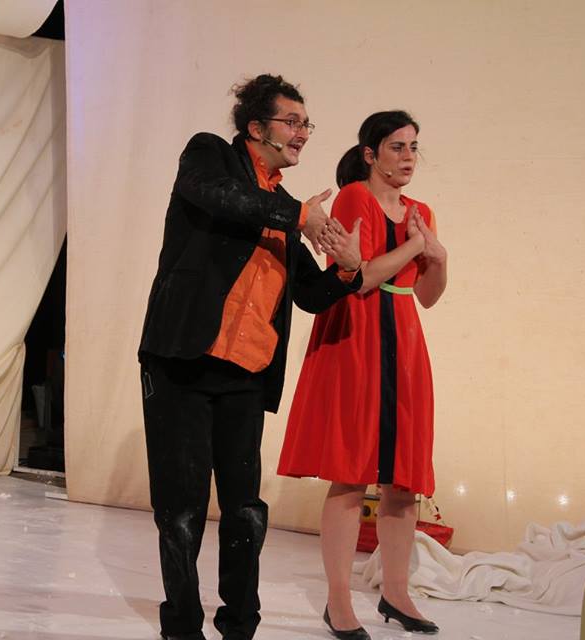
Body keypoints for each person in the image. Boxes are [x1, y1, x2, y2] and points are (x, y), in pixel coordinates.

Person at [137, 74, 363, 640]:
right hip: (183, 361)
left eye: (307, 124)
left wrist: (347, 269)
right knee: (182, 510)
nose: (303, 133)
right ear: (257, 127)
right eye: (293, 121)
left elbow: (308, 294)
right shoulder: (210, 155)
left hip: (246, 373)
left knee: (245, 511)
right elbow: (218, 196)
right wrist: (299, 217)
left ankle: (240, 627)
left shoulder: (285, 207)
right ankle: (182, 628)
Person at [277, 110, 448, 639]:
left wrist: (439, 257)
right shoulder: (355, 196)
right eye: (397, 147)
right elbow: (364, 277)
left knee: (403, 479)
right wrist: (416, 246)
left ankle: (396, 593)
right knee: (351, 473)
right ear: (371, 154)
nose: (409, 157)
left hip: (405, 339)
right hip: (358, 333)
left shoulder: (421, 212)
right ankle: (338, 602)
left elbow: (426, 295)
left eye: (413, 147)